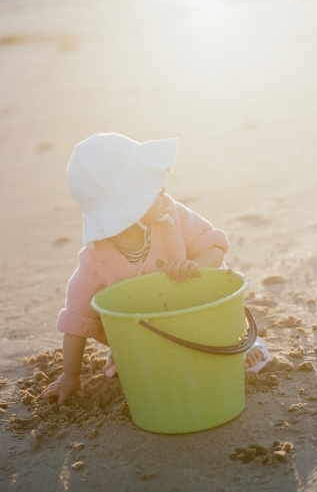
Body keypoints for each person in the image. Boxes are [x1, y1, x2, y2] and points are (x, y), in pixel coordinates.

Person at [42, 133, 269, 406]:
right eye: (151, 188)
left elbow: (215, 246)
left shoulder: (172, 215)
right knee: (107, 317)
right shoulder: (96, 262)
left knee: (217, 273)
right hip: (145, 335)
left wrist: (195, 265)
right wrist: (70, 374)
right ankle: (129, 355)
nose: (163, 190)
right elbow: (76, 321)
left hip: (195, 310)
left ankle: (234, 339)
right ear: (128, 207)